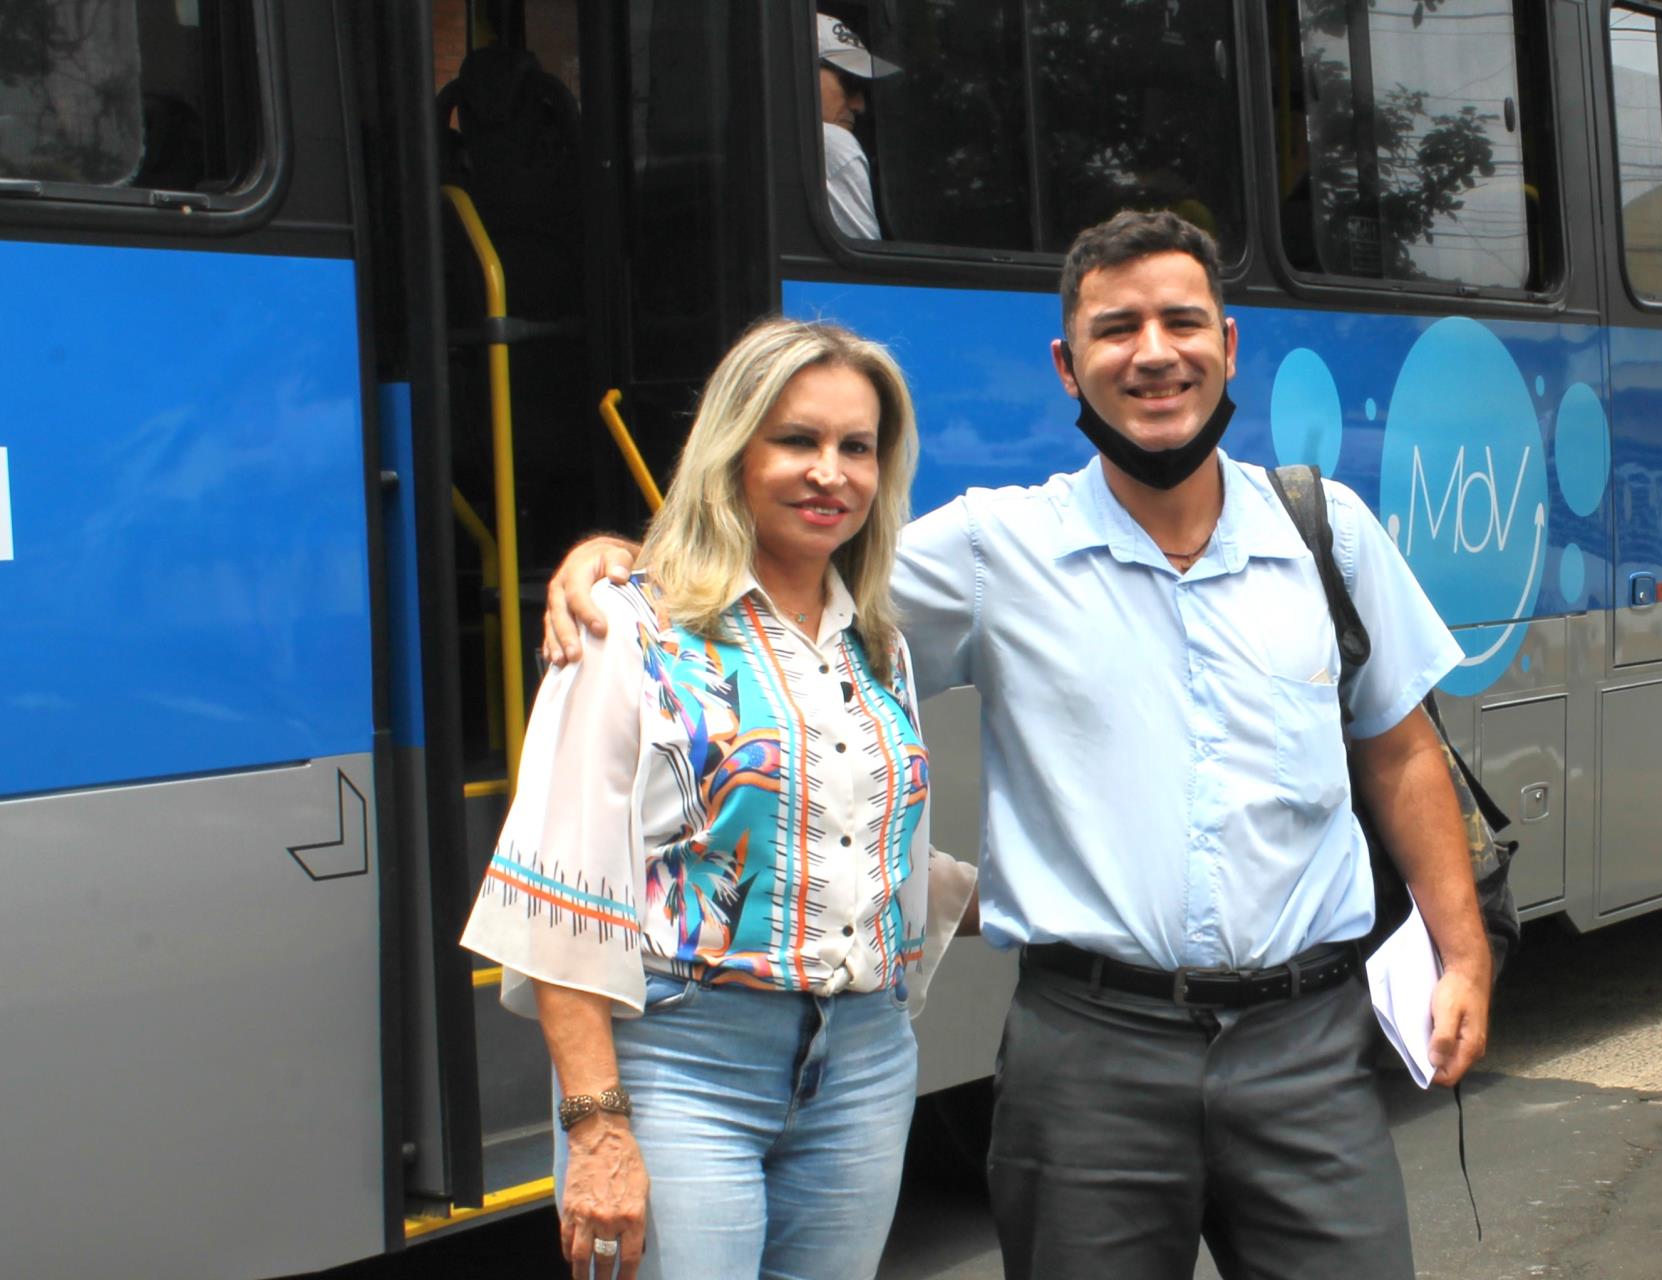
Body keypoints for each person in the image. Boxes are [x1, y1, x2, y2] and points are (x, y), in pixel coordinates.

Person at [544, 211, 1492, 1280]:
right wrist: (617, 560)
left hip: (1308, 1047)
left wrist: (1461, 953)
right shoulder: (994, 549)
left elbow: (1400, 750)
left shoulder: (1331, 534)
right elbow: (765, 591)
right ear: (1067, 364)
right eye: (1116, 327)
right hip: (1089, 1054)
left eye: (1183, 322)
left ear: (1229, 346)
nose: (1153, 352)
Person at [463, 318, 976, 1280]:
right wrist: (598, 1130)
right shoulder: (627, 628)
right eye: (797, 441)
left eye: (856, 448)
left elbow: (857, 849)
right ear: (734, 450)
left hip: (862, 1065)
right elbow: (563, 888)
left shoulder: (878, 644)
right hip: (683, 1066)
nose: (831, 472)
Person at [816, 13, 897, 240]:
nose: (859, 105)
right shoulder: (831, 143)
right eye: (850, 83)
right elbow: (869, 273)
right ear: (803, 72)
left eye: (863, 89)